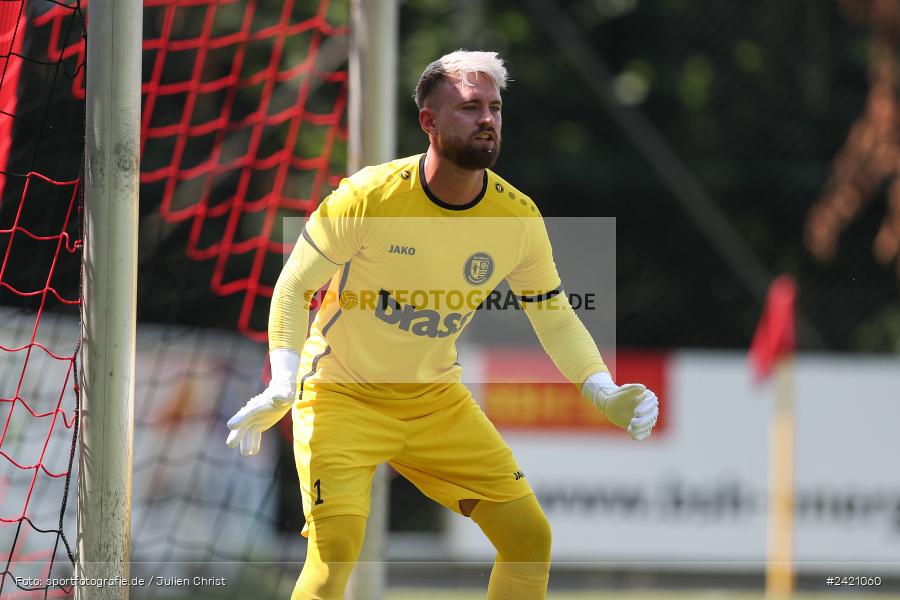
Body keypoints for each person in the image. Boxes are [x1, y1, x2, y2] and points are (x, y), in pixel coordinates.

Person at [225, 50, 660, 600]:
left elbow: (554, 315)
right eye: (470, 106)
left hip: (435, 401)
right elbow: (292, 287)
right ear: (428, 121)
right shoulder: (368, 197)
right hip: (341, 398)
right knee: (335, 555)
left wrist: (602, 390)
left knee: (529, 538)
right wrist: (283, 382)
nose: (487, 119)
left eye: (496, 107)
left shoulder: (517, 218)